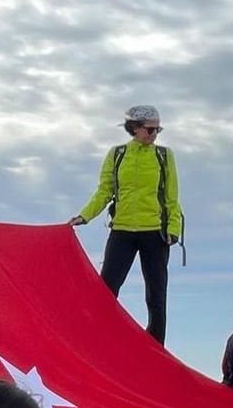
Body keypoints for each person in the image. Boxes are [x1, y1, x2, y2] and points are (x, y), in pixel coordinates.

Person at [68, 105, 184, 345]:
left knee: (156, 295)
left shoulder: (164, 155)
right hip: (121, 231)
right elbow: (104, 191)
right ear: (135, 128)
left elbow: (172, 196)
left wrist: (173, 229)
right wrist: (84, 216)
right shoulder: (117, 153)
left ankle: (155, 347)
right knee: (105, 290)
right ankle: (98, 340)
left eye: (157, 130)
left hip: (155, 233)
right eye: (150, 129)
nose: (154, 134)